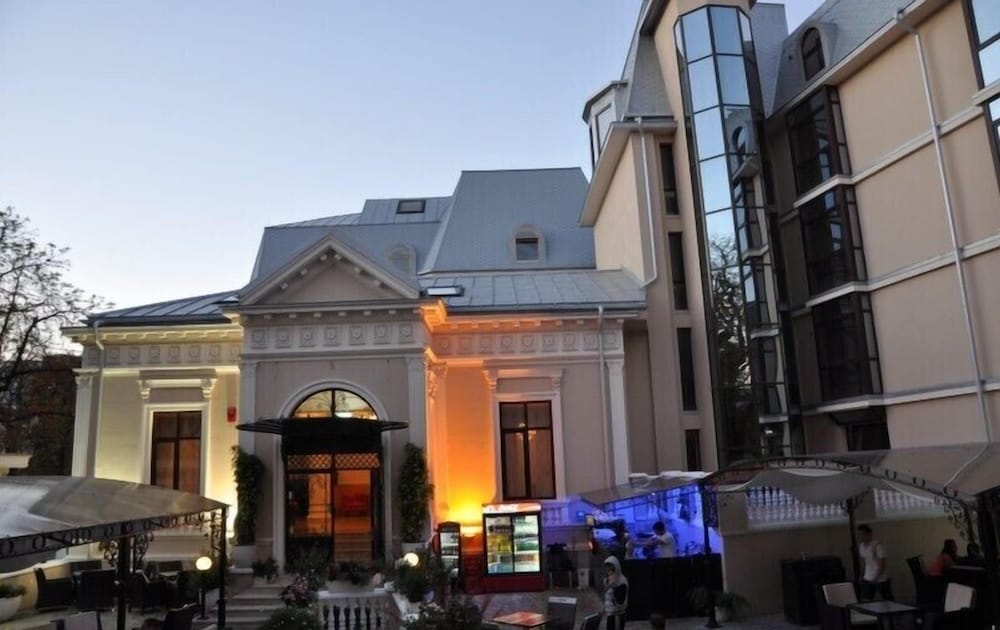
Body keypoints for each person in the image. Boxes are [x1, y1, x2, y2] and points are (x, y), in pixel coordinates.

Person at [857, 524, 894, 601]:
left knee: (888, 601)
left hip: (880, 579)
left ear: (868, 534)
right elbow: (864, 562)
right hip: (867, 578)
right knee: (866, 600)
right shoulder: (861, 546)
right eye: (859, 534)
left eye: (862, 534)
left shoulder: (877, 546)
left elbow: (882, 565)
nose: (860, 536)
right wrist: (861, 575)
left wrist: (876, 578)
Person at [602, 556, 629, 630]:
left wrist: (613, 584)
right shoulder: (610, 579)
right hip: (611, 614)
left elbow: (620, 602)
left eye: (610, 569)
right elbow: (608, 596)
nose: (608, 572)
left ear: (615, 568)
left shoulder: (620, 582)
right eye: (607, 569)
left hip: (617, 615)